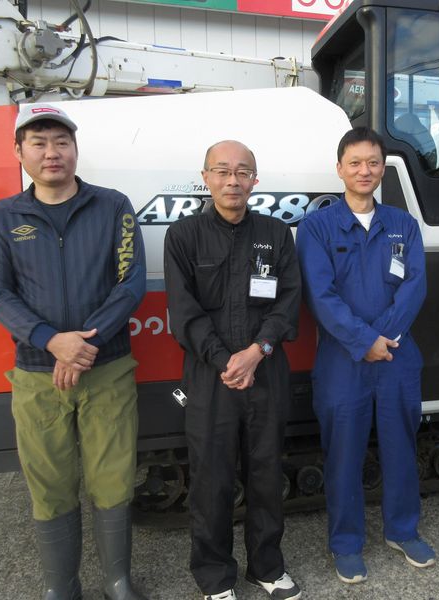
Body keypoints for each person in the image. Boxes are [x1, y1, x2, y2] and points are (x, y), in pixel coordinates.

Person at [0, 103, 147, 600]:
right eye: (39, 143)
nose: (51, 152)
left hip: (107, 368)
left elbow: (130, 282)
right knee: (49, 484)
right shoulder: (3, 216)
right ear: (19, 152)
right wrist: (51, 340)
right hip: (37, 375)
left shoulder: (113, 206)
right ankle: (62, 586)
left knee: (113, 478)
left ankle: (117, 581)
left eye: (61, 142)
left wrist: (85, 345)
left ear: (75, 149)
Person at [163, 141, 302, 600]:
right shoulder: (183, 236)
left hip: (266, 372)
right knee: (211, 481)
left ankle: (267, 567)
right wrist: (227, 360)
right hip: (210, 378)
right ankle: (215, 576)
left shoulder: (276, 234)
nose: (233, 180)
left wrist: (258, 351)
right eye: (222, 171)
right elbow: (184, 312)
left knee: (266, 475)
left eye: (243, 172)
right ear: (205, 177)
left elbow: (288, 302)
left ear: (254, 180)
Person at [296, 127, 436, 584]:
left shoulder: (403, 224)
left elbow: (415, 286)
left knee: (401, 448)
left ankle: (402, 530)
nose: (364, 170)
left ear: (382, 169)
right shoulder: (316, 228)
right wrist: (363, 341)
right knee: (343, 455)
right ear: (339, 168)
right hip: (343, 361)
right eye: (355, 162)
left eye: (373, 162)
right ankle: (346, 543)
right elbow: (321, 296)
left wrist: (384, 338)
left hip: (396, 356)